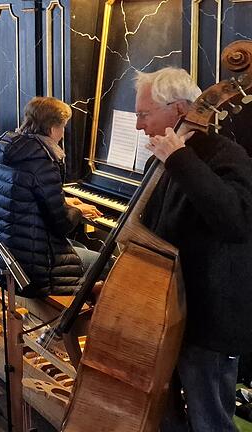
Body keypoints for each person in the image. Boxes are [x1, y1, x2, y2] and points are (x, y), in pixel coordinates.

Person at [133, 67, 252, 432]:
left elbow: (236, 221)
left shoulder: (224, 154)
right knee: (168, 418)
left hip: (209, 321)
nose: (139, 126)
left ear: (181, 110)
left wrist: (179, 160)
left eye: (143, 114)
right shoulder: (168, 157)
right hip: (170, 312)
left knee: (209, 421)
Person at [0, 96, 103, 298]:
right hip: (32, 273)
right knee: (106, 262)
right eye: (63, 126)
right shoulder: (43, 160)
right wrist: (78, 210)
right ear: (52, 128)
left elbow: (24, 201)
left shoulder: (10, 150)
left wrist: (64, 202)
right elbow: (62, 224)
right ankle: (81, 324)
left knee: (79, 247)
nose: (63, 133)